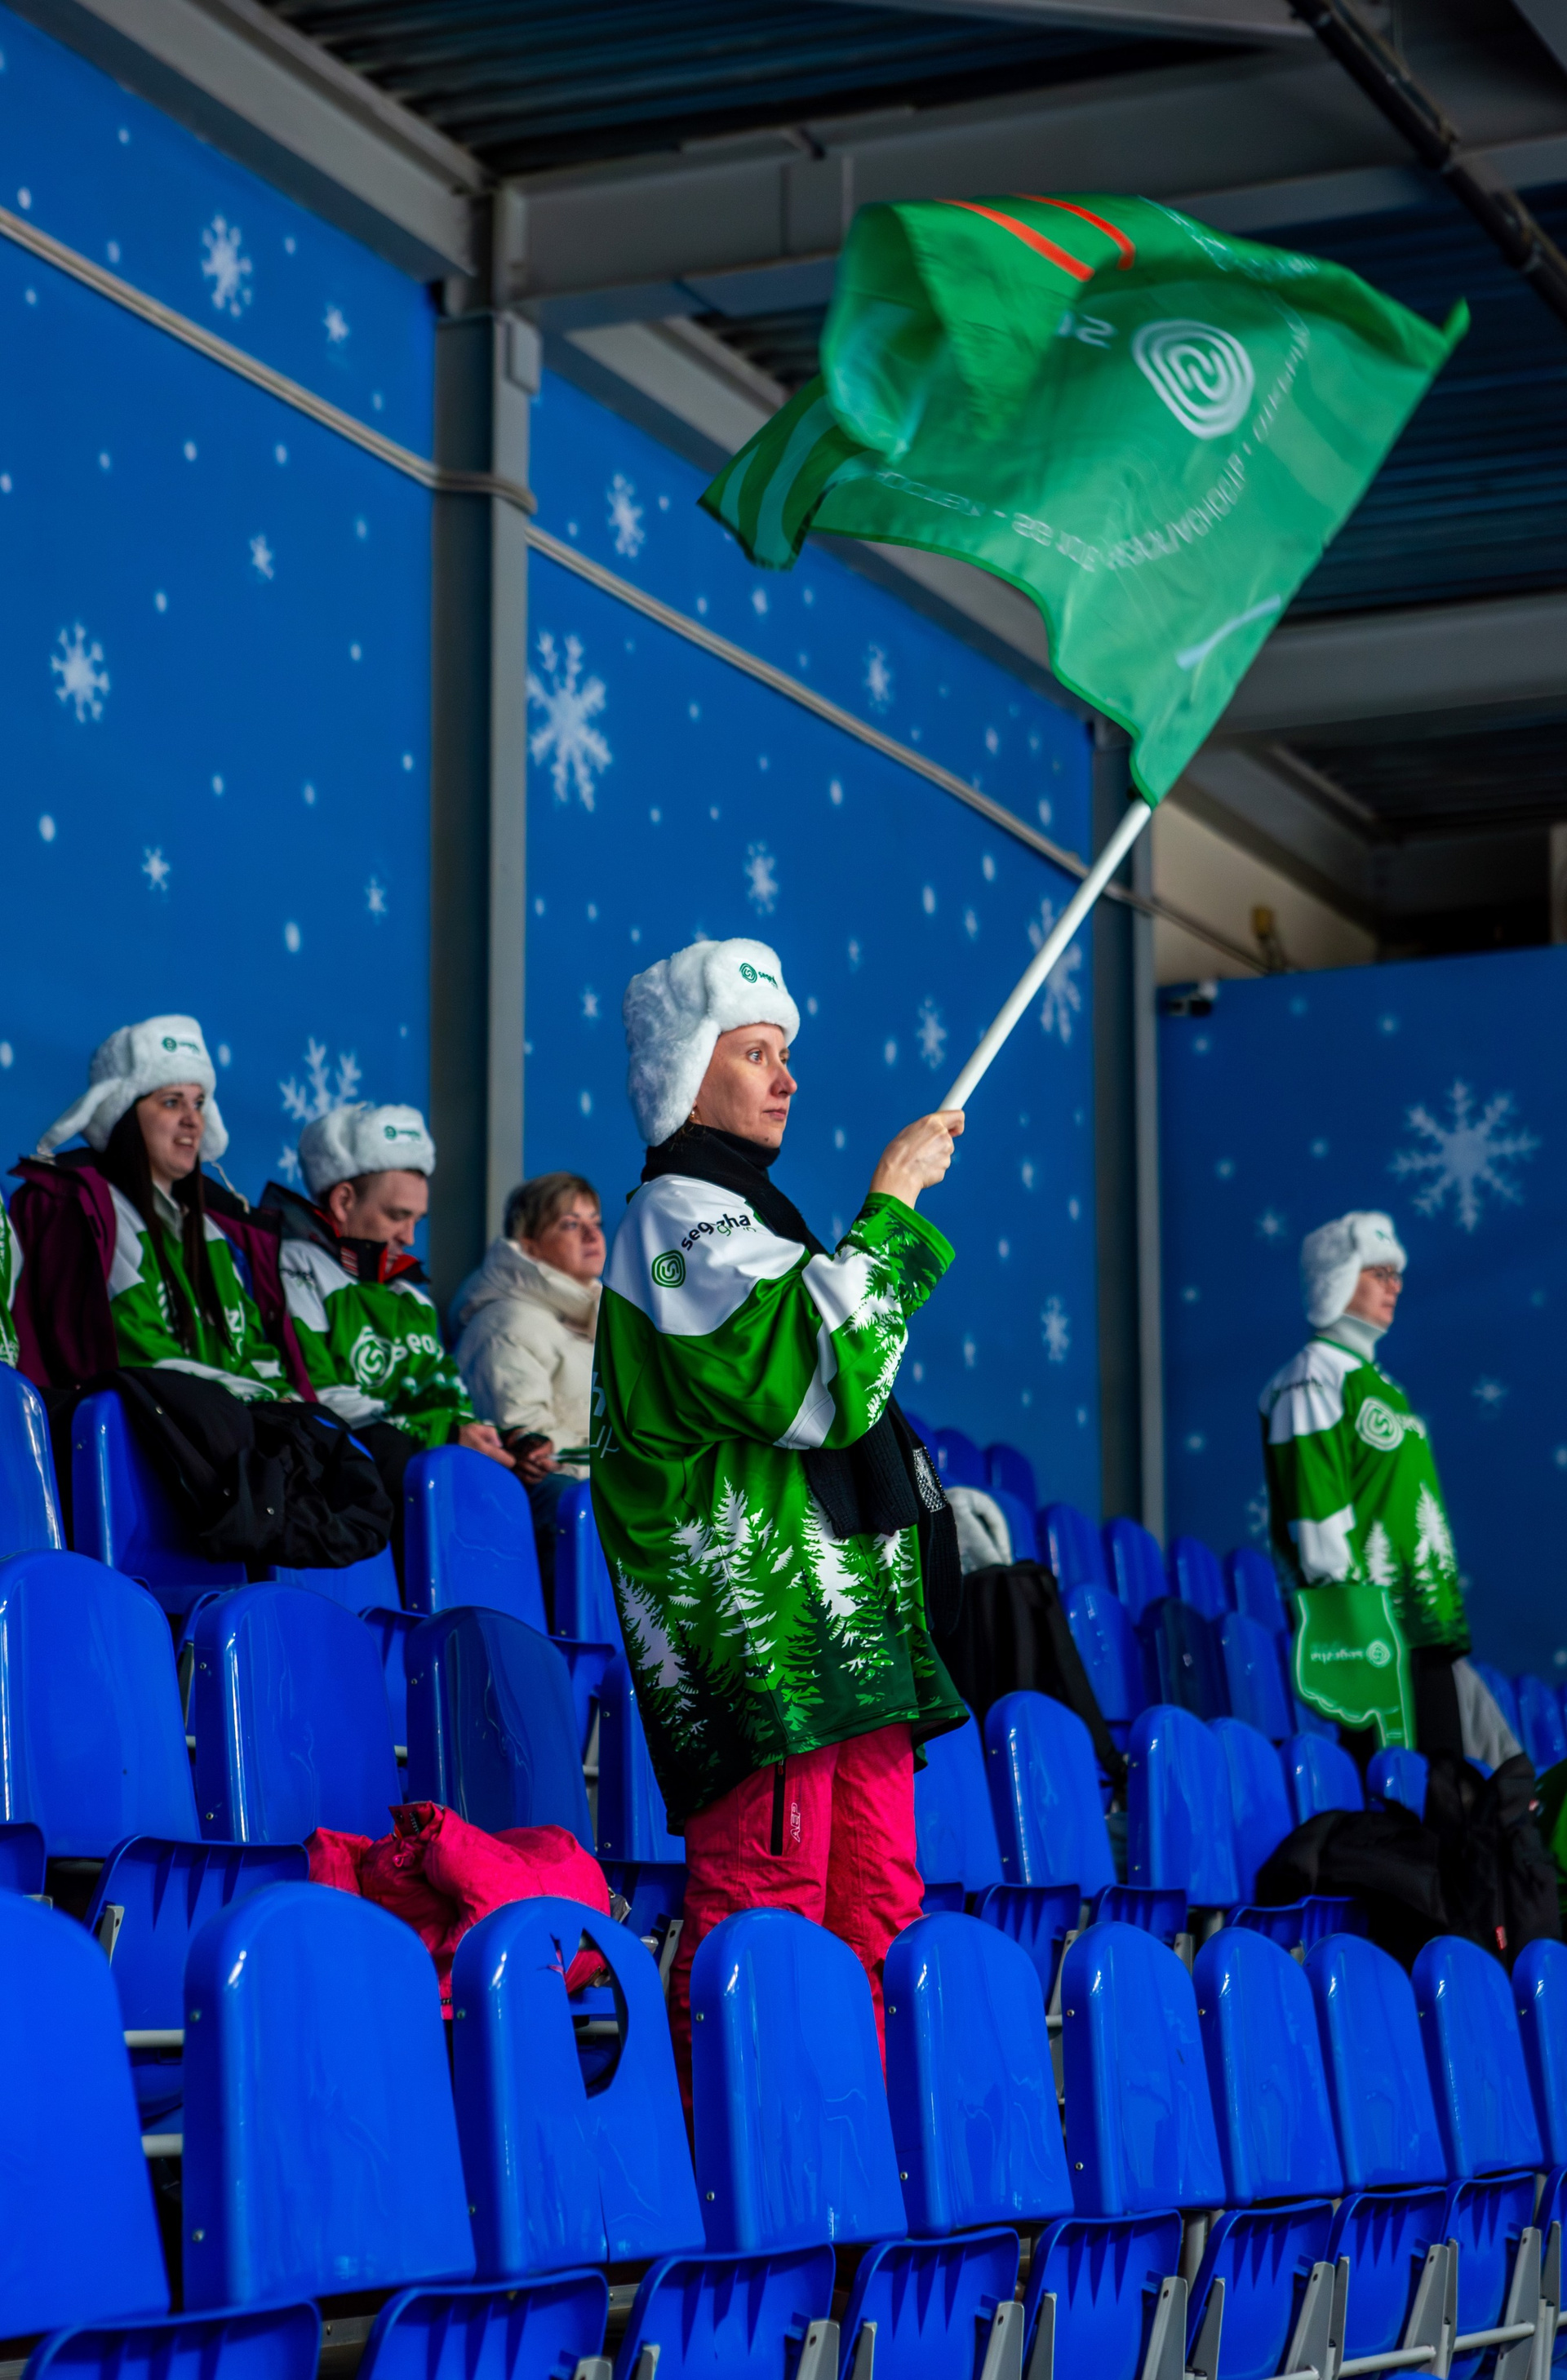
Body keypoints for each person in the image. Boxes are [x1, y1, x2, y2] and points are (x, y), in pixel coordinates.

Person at [591, 933, 967, 2102]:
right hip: (765, 1649)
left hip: (849, 1645)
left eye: (785, 1053)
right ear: (686, 1070)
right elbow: (816, 1379)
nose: (787, 1078)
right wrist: (892, 1204)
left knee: (877, 1915)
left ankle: (860, 2170)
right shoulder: (673, 1220)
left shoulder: (761, 1221)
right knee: (767, 1920)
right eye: (755, 1052)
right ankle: (743, 2179)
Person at [1261, 1210, 1470, 1754]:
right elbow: (1315, 1508)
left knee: (1448, 1785)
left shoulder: (1386, 1387)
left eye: (1396, 1273)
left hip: (1423, 1623)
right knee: (1394, 1789)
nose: (1394, 1285)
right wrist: (1353, 1612)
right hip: (1367, 1631)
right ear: (1336, 1280)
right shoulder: (1312, 1377)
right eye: (1378, 1272)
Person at [12, 1015, 298, 1397]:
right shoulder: (98, 1216)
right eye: (171, 1102)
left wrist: (285, 1407)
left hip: (225, 1426)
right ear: (123, 1115)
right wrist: (254, 1406)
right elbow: (137, 1360)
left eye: (199, 1103)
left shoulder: (214, 1236)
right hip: (153, 1429)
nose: (192, 1120)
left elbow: (255, 1355)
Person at [263, 1106, 509, 1515]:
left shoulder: (412, 1298)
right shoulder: (293, 1267)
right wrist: (440, 1436)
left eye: (417, 1220)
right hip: (344, 1482)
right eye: (397, 1216)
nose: (409, 1237)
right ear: (343, 1201)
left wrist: (494, 1439)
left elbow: (449, 1397)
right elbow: (318, 1397)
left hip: (417, 1471)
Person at [451, 1171, 604, 1615]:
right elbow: (533, 1450)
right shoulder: (506, 1323)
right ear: (529, 1246)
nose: (592, 1235)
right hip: (550, 1517)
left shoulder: (599, 1324)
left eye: (595, 1221)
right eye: (571, 1224)